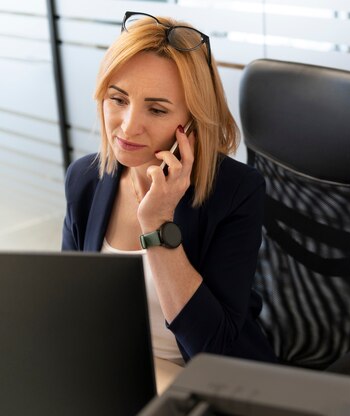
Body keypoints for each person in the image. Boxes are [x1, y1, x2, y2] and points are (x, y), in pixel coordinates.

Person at [62, 11, 276, 365]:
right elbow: (70, 305)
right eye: (118, 100)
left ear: (191, 122)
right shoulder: (84, 179)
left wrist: (159, 224)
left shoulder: (236, 192)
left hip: (201, 382)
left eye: (157, 110)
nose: (128, 128)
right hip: (113, 371)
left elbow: (215, 350)